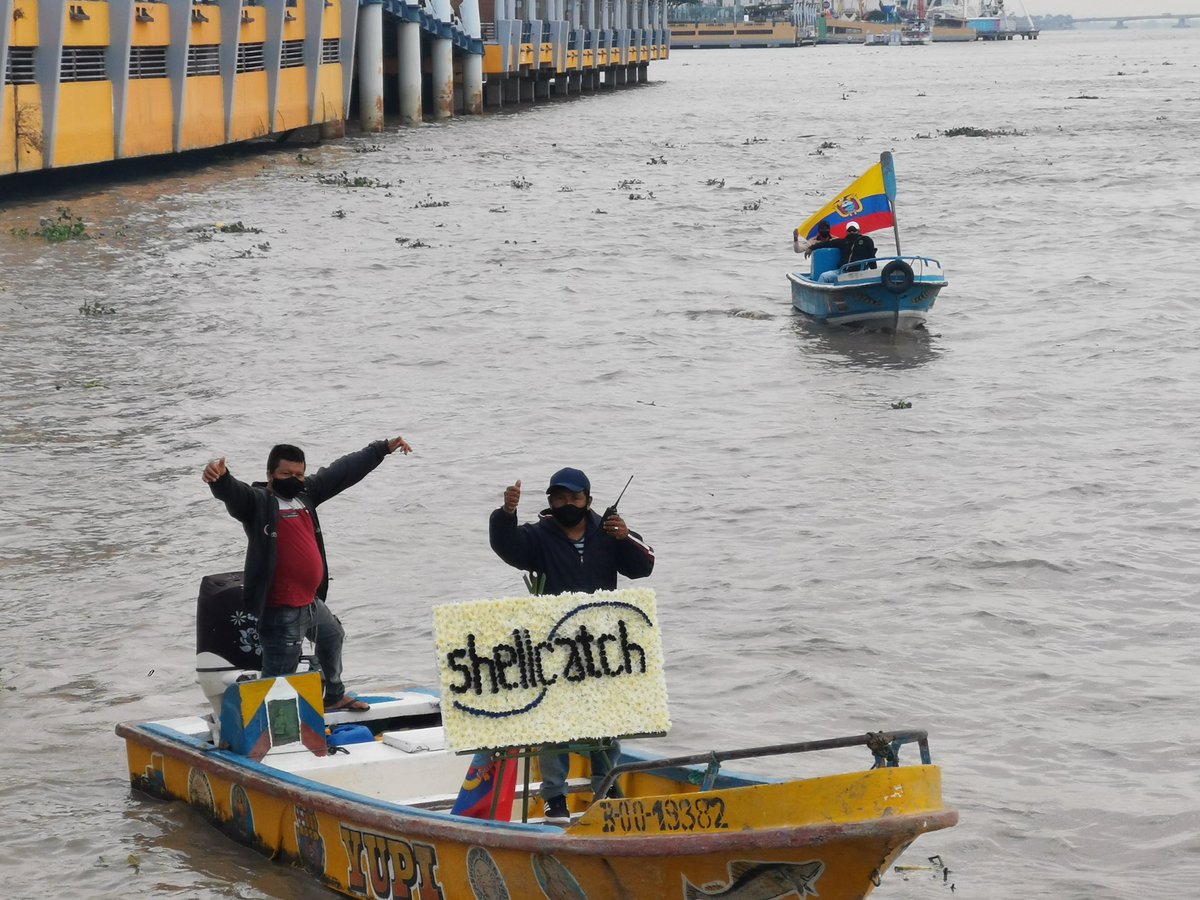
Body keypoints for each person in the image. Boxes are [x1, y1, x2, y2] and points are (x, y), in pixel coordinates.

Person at [488, 467, 655, 824]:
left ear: (588, 500)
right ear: (550, 501)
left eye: (574, 498)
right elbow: (506, 546)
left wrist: (625, 537)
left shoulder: (609, 532)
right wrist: (506, 514)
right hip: (553, 643)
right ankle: (554, 797)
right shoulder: (537, 537)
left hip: (603, 641)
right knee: (555, 723)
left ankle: (606, 786)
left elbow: (644, 566)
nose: (567, 504)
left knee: (605, 719)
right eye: (560, 497)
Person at [202, 436, 413, 712]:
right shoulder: (258, 503)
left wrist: (381, 449)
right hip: (281, 611)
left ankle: (334, 694)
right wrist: (220, 479)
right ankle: (267, 726)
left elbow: (342, 471)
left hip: (310, 603)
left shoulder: (306, 495)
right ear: (270, 475)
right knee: (278, 680)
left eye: (299, 474)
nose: (293, 479)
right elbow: (234, 493)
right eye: (285, 474)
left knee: (333, 636)